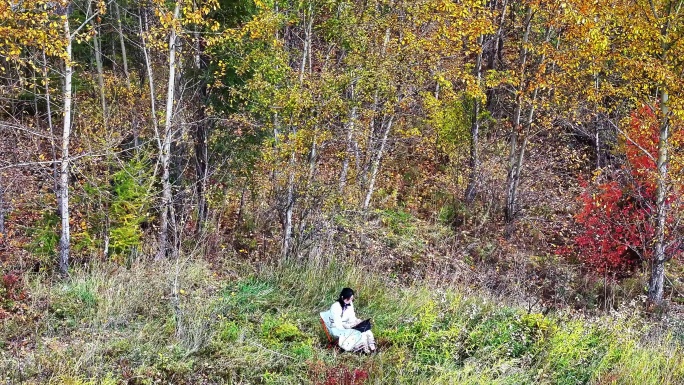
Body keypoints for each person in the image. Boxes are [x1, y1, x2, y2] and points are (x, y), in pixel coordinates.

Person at [328, 287, 376, 353]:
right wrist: (349, 327)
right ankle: (364, 349)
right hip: (337, 328)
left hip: (347, 325)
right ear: (342, 297)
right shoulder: (335, 306)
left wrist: (357, 322)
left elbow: (352, 317)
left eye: (351, 299)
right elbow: (338, 324)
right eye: (348, 299)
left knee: (366, 330)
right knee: (359, 333)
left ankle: (372, 348)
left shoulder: (350, 304)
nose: (350, 301)